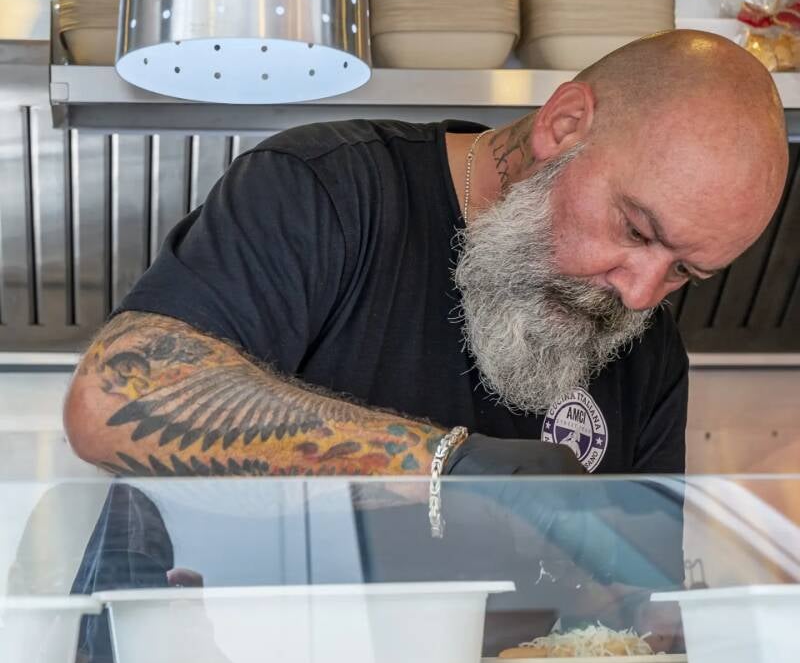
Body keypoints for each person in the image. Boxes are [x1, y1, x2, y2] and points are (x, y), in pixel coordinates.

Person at [63, 31, 788, 480]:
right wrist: (446, 467)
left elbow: (636, 610)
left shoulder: (646, 351)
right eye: (635, 230)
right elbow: (115, 400)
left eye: (685, 271)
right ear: (565, 124)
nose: (640, 294)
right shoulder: (331, 190)